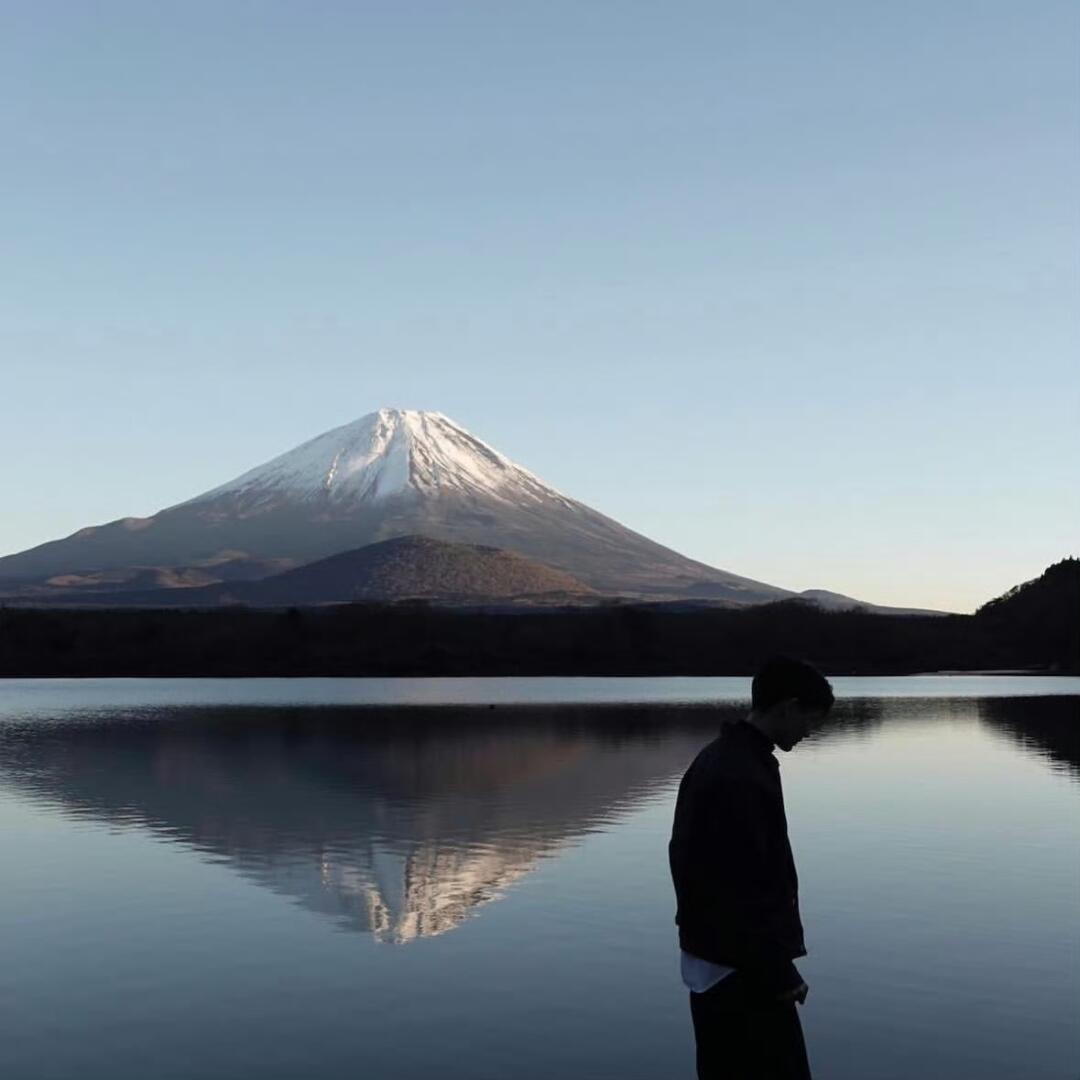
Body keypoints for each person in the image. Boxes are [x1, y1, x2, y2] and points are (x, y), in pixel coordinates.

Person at [669, 656, 834, 1080]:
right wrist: (779, 970)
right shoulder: (738, 775)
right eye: (809, 720)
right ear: (787, 707)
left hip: (720, 961)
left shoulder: (728, 760)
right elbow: (734, 886)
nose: (810, 732)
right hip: (739, 971)